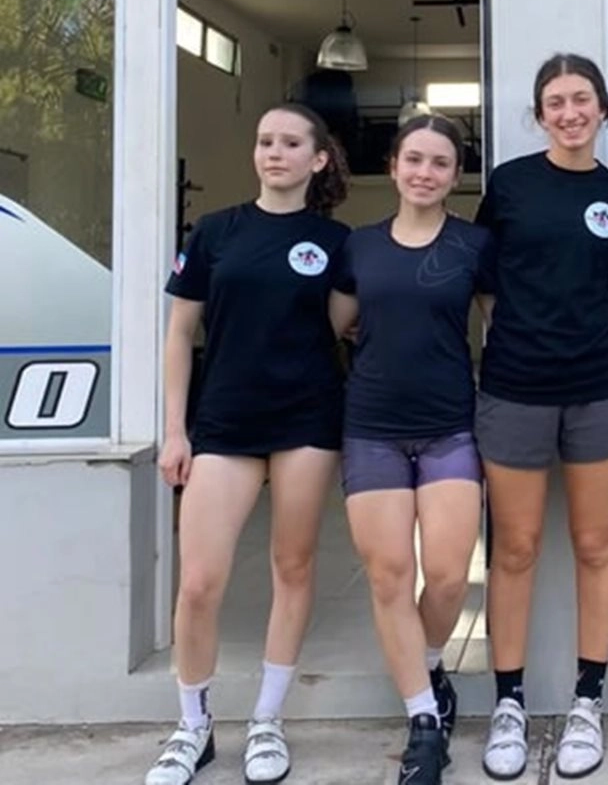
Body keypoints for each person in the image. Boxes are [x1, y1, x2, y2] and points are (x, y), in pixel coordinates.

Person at [147, 102, 352, 785]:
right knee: (199, 581)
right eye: (266, 141)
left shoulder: (336, 242)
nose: (275, 153)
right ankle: (193, 726)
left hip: (306, 421)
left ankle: (267, 719)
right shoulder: (215, 231)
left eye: (291, 143)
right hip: (225, 423)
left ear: (317, 159)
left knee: (292, 567)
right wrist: (174, 430)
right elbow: (180, 334)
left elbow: (339, 326)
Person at [473, 53, 608, 780]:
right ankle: (508, 704)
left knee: (596, 545)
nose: (570, 113)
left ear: (603, 109)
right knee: (514, 548)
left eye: (582, 100)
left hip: (599, 388)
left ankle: (587, 701)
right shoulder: (510, 185)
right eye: (556, 102)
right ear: (540, 114)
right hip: (515, 389)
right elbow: (484, 286)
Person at [328, 115, 490, 785]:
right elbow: (334, 325)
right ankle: (424, 719)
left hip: (450, 425)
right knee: (391, 575)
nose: (425, 172)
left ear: (456, 175)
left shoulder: (474, 245)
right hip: (372, 429)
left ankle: (424, 665)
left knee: (448, 577)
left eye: (440, 163)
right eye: (414, 159)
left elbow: (500, 327)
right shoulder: (359, 246)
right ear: (394, 167)